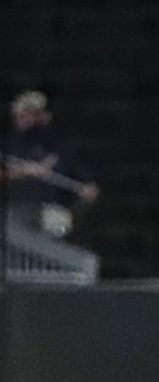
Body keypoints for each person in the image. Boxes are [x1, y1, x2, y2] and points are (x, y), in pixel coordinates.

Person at [6, 90, 101, 275]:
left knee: (59, 224)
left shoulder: (59, 149)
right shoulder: (9, 147)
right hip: (14, 212)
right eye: (28, 114)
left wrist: (88, 191)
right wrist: (26, 171)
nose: (34, 119)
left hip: (49, 211)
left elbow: (84, 182)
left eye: (38, 114)